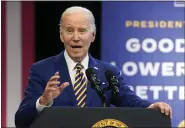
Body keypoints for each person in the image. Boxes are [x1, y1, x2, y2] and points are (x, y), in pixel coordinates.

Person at [15, 6, 172, 127]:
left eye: (82, 30)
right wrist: (43, 101)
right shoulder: (42, 70)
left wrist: (151, 106)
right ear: (61, 35)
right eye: (69, 30)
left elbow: (130, 101)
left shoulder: (108, 72)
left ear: (93, 35)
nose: (75, 37)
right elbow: (21, 120)